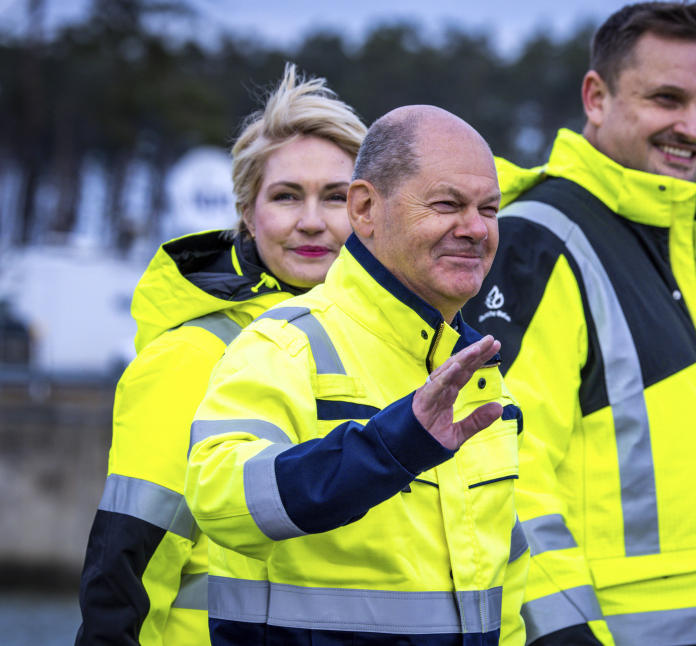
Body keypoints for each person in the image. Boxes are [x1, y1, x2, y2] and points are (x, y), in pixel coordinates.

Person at [463, 3, 696, 645]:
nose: (691, 127)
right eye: (667, 99)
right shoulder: (538, 243)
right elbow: (502, 470)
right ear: (596, 96)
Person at [183, 105, 529, 646]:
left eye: (489, 209)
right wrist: (392, 448)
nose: (475, 228)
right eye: (447, 205)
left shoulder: (480, 377)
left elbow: (501, 590)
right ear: (365, 208)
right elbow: (220, 500)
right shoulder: (286, 344)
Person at [75, 63, 367, 646]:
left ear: (366, 210)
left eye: (335, 197)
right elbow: (125, 570)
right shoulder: (190, 354)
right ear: (246, 213)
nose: (312, 222)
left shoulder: (391, 346)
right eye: (287, 196)